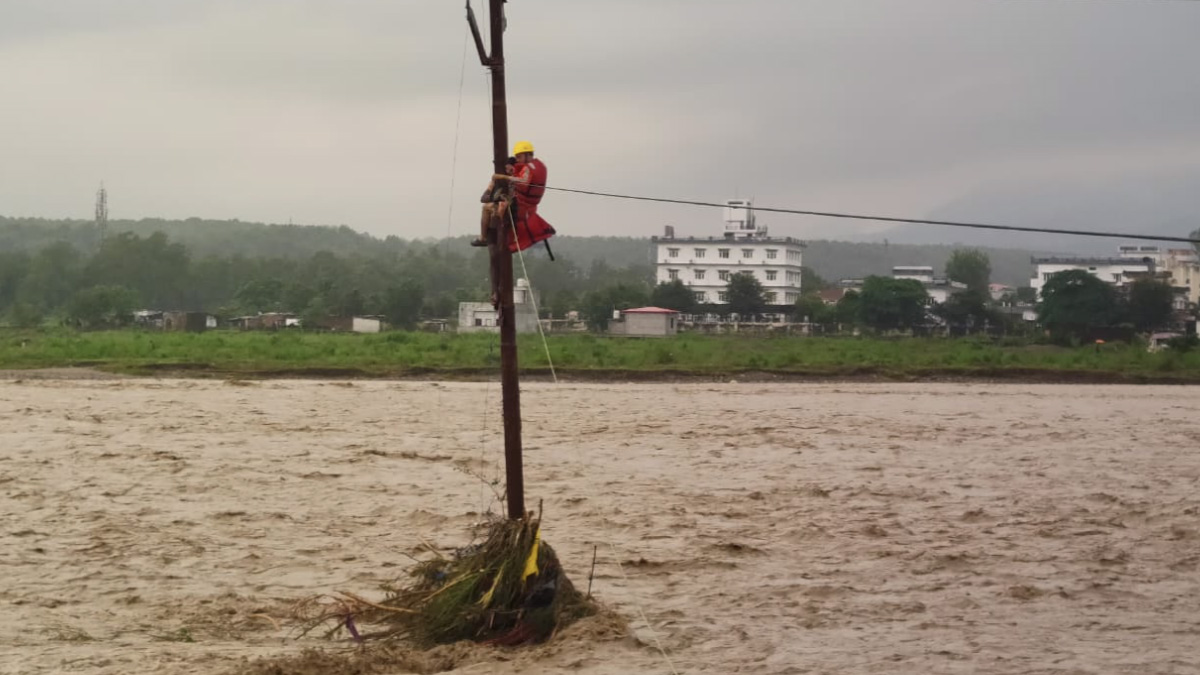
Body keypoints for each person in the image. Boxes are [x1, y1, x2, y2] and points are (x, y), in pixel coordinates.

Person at [491, 140, 555, 253]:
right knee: (500, 206)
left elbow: (523, 181)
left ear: (528, 155)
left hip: (523, 204)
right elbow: (520, 173)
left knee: (500, 207)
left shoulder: (528, 168)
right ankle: (501, 234)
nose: (518, 159)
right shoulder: (535, 166)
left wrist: (503, 177)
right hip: (527, 203)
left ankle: (499, 233)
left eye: (519, 157)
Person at [470, 157, 517, 247]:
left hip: (511, 208)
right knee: (486, 207)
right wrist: (496, 198)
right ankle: (484, 238)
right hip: (499, 204)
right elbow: (483, 198)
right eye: (506, 169)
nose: (508, 171)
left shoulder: (515, 180)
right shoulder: (496, 181)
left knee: (497, 209)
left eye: (510, 169)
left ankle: (492, 237)